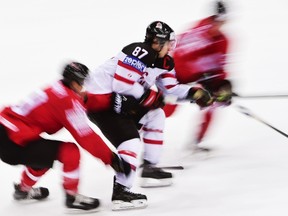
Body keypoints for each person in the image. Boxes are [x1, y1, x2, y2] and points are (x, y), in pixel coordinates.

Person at [84, 21, 213, 210]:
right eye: (168, 43)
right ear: (156, 42)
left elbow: (170, 89)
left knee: (156, 115)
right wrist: (150, 97)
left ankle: (150, 167)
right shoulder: (139, 51)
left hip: (118, 101)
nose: (171, 47)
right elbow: (122, 85)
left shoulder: (165, 62)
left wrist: (194, 94)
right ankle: (121, 192)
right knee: (130, 141)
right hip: (101, 102)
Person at [0, 62, 130, 213]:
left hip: (8, 129)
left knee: (41, 156)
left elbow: (83, 100)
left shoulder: (57, 88)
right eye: (82, 83)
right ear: (74, 83)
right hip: (13, 141)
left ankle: (23, 190)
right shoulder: (67, 101)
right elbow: (86, 136)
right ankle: (72, 197)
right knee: (69, 151)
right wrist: (111, 158)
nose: (84, 86)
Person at [163, 1, 233, 152]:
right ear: (211, 18)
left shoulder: (224, 41)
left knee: (214, 104)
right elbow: (179, 61)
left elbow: (221, 66)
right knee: (168, 110)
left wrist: (222, 86)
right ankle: (136, 131)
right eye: (216, 20)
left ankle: (196, 142)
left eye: (223, 21)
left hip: (200, 79)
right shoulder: (196, 34)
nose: (219, 25)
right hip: (177, 77)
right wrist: (202, 82)